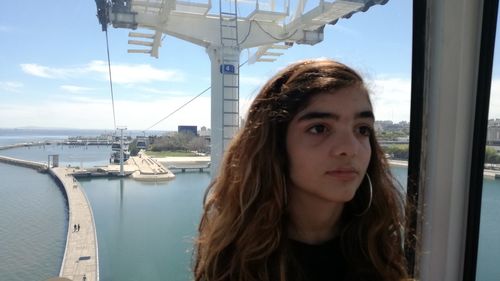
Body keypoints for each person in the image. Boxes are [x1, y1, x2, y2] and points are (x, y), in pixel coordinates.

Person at [194, 59, 409, 281]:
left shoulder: (378, 248)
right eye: (319, 128)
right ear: (275, 144)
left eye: (362, 129)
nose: (350, 148)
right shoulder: (233, 262)